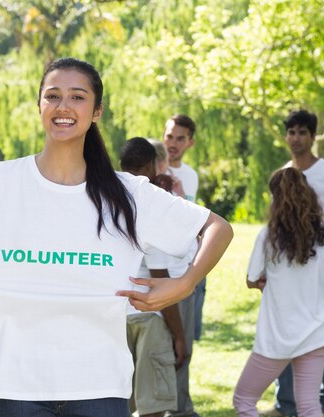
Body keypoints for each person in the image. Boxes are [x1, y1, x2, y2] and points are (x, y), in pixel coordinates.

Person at [0, 57, 233, 417]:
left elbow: (217, 228)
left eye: (77, 97)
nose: (63, 106)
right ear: (39, 105)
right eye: (52, 96)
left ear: (97, 111)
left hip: (100, 386)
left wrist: (186, 282)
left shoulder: (130, 194)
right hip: (15, 386)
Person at [233, 167, 324, 417]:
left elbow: (251, 278)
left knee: (244, 400)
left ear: (275, 198)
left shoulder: (268, 236)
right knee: (310, 407)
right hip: (317, 333)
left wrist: (262, 282)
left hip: (278, 337)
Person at [264, 110, 324, 417]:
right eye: (291, 132)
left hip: (322, 270)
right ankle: (285, 403)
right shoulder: (283, 173)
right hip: (288, 271)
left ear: (313, 137)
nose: (296, 138)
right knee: (286, 332)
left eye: (302, 132)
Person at [120, 137, 189, 417]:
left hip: (116, 313)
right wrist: (179, 335)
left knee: (116, 401)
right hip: (150, 315)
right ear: (151, 165)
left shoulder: (107, 198)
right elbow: (160, 278)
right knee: (152, 407)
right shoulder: (153, 204)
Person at [162, 115, 204, 417]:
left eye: (180, 138)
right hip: (159, 269)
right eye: (169, 136)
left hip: (188, 268)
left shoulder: (190, 175)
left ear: (190, 142)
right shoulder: (154, 171)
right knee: (161, 343)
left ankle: (180, 408)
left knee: (183, 344)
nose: (173, 144)